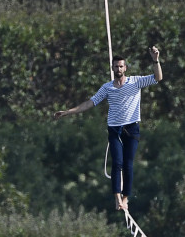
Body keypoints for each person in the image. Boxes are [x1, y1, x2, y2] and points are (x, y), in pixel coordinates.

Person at [54, 47, 163, 211]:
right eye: (116, 66)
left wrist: (155, 60)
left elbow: (158, 77)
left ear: (125, 68)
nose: (119, 69)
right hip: (114, 130)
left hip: (131, 128)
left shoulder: (135, 82)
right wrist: (67, 112)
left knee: (128, 164)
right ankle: (117, 197)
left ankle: (125, 198)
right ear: (112, 68)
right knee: (117, 163)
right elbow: (90, 103)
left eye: (121, 66)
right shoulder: (107, 88)